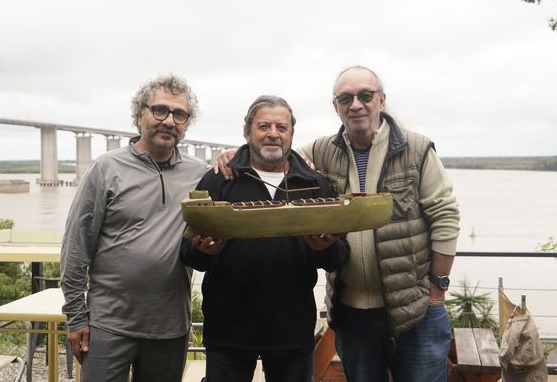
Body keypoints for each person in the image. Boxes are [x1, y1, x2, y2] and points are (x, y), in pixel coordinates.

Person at [215, 66, 460, 382]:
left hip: (415, 309)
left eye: (365, 95)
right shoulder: (320, 151)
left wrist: (438, 288)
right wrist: (239, 153)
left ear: (381, 100)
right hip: (352, 312)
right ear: (336, 106)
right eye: (346, 97)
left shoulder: (416, 148)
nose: (356, 104)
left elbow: (445, 215)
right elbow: (273, 155)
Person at [181, 95, 350, 382]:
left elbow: (339, 257)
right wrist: (205, 252)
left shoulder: (314, 183)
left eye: (281, 127)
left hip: (291, 328)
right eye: (264, 126)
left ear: (292, 134)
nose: (273, 133)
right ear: (247, 132)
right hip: (228, 327)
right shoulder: (219, 179)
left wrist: (327, 248)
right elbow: (189, 254)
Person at [60, 74, 209, 382]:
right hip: (107, 325)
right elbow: (76, 248)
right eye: (160, 110)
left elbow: (237, 189)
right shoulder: (105, 169)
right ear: (140, 113)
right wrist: (75, 317)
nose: (169, 120)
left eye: (179, 114)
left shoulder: (200, 174)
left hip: (170, 327)